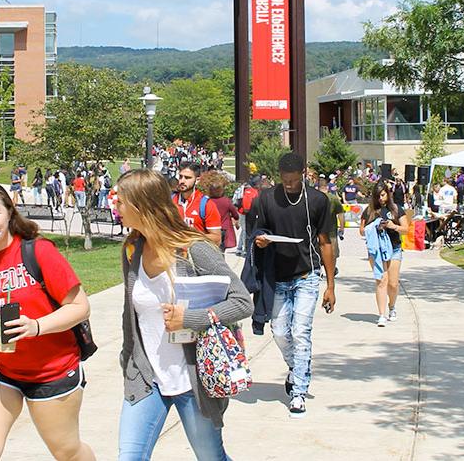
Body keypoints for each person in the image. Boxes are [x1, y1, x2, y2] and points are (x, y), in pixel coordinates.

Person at [0, 181, 96, 461]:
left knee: (67, 451)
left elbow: (80, 307)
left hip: (52, 370)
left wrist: (35, 327)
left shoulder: (38, 251)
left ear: (10, 213)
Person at [113, 169, 252, 461]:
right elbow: (131, 317)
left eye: (121, 201)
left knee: (211, 457)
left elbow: (242, 302)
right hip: (147, 377)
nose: (115, 206)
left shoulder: (195, 249)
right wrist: (129, 364)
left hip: (194, 380)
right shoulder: (131, 250)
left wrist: (190, 319)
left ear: (142, 205)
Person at [241, 152, 337, 418]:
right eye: (285, 181)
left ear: (303, 175)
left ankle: (299, 393)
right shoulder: (266, 199)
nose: (290, 185)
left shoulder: (317, 201)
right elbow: (256, 233)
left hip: (307, 274)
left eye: (294, 181)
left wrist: (330, 285)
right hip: (277, 277)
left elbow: (326, 242)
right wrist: (260, 239)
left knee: (301, 331)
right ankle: (298, 368)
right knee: (281, 332)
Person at [361, 183, 408, 327]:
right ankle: (381, 315)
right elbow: (362, 230)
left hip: (394, 248)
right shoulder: (370, 211)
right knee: (381, 281)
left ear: (388, 194)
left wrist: (393, 226)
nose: (381, 198)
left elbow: (406, 229)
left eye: (383, 195)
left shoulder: (396, 209)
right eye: (378, 196)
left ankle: (392, 306)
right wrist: (374, 226)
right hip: (377, 250)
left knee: (393, 283)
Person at [173, 163, 223, 246]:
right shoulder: (170, 201)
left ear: (197, 180)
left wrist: (190, 237)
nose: (182, 181)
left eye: (187, 178)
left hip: (196, 255)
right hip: (173, 255)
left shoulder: (206, 205)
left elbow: (217, 239)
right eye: (180, 177)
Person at [200, 171, 239, 253]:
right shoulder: (226, 201)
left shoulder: (208, 201)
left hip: (211, 228)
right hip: (224, 228)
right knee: (221, 250)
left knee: (212, 249)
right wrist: (235, 218)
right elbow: (235, 213)